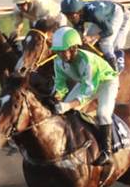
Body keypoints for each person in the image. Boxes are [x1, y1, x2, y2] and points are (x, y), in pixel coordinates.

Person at [50, 26, 120, 166]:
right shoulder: (58, 62)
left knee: (103, 114)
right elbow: (60, 84)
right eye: (58, 52)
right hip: (86, 82)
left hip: (106, 82)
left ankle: (107, 152)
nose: (61, 56)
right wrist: (58, 95)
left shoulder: (87, 60)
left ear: (73, 48)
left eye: (63, 52)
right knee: (66, 112)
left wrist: (68, 104)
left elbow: (88, 91)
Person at [60, 0, 130, 72]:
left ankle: (114, 69)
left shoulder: (94, 13)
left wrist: (93, 37)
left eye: (72, 16)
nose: (70, 19)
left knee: (105, 43)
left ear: (79, 11)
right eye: (67, 16)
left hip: (116, 13)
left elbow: (108, 31)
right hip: (102, 16)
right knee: (87, 42)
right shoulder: (77, 13)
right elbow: (79, 33)